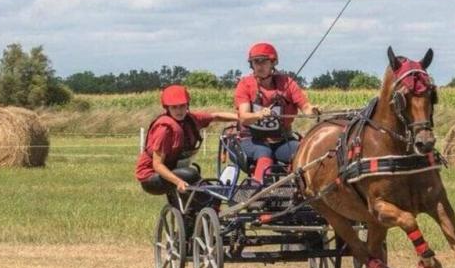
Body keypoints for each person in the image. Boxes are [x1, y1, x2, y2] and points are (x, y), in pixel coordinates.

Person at [235, 42, 320, 184]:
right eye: (256, 62)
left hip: (282, 140)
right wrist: (259, 115)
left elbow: (304, 106)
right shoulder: (245, 84)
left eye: (264, 62)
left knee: (303, 151)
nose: (259, 66)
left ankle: (301, 188)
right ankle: (258, 189)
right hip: (252, 140)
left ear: (273, 63)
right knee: (264, 152)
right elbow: (243, 117)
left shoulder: (288, 83)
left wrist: (312, 111)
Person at [136, 84, 237, 200]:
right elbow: (157, 165)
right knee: (191, 175)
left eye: (182, 106)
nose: (179, 111)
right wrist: (178, 181)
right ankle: (209, 202)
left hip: (173, 170)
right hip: (151, 177)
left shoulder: (191, 120)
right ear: (167, 108)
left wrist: (243, 118)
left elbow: (216, 116)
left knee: (204, 187)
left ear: (187, 105)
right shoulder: (164, 129)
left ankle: (195, 211)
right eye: (174, 107)